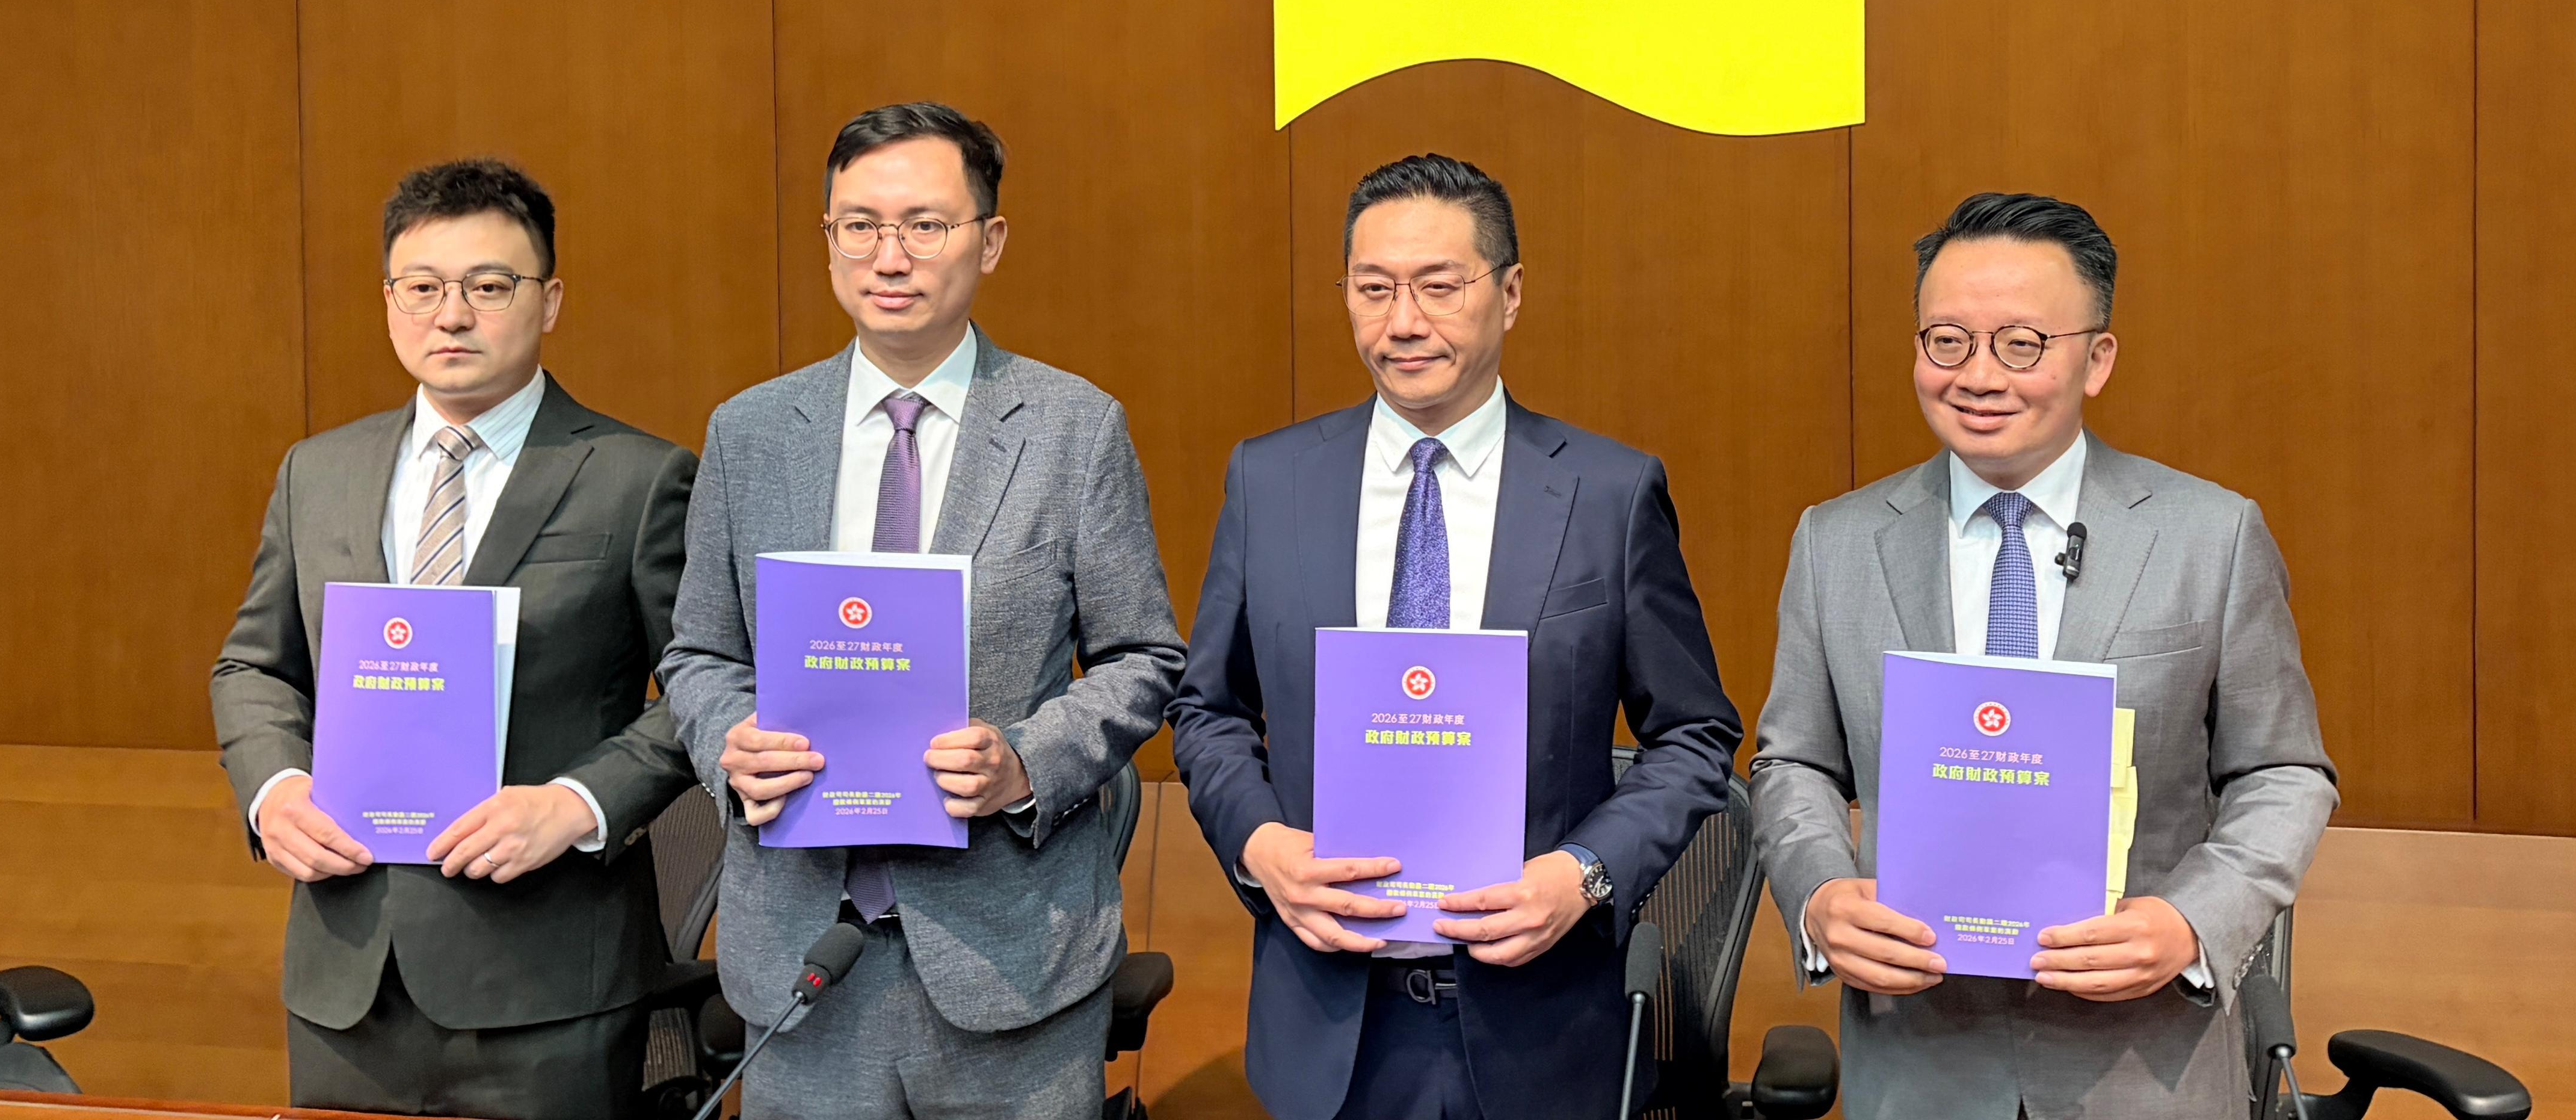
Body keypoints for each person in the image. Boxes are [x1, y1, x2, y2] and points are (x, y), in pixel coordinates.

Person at [1169, 153, 1743, 1120]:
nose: (1403, 322)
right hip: (1329, 1028)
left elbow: (1694, 734)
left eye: (1439, 286)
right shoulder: (1271, 482)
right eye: (1373, 288)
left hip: (1542, 1030)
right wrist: (1260, 845)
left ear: (1509, 294)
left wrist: (1584, 875)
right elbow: (1207, 710)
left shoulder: (1608, 494)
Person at [1750, 192, 2338, 1119]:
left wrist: (2190, 923)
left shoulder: (2211, 537)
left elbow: (2284, 771)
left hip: (2142, 1066)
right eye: (1948, 341)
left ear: (2096, 359)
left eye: (2021, 344)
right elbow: (1794, 763)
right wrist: (1820, 894)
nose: (1980, 376)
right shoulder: (1836, 543)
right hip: (1921, 1061)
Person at [657, 102, 1184, 1119]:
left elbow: (1143, 658)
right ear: (829, 239)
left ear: (990, 240)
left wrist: (1025, 762)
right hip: (801, 962)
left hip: (1013, 965)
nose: (889, 256)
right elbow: (699, 652)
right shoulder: (750, 432)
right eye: (859, 225)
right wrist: (731, 743)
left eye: (925, 225)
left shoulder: (1074, 430)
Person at [210, 159, 699, 1120]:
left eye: (489, 286)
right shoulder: (319, 471)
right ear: (390, 301)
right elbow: (254, 666)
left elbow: (706, 687)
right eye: (423, 288)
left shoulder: (637, 479)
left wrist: (577, 804)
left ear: (549, 301)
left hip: (548, 983)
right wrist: (274, 791)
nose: (453, 316)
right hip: (349, 977)